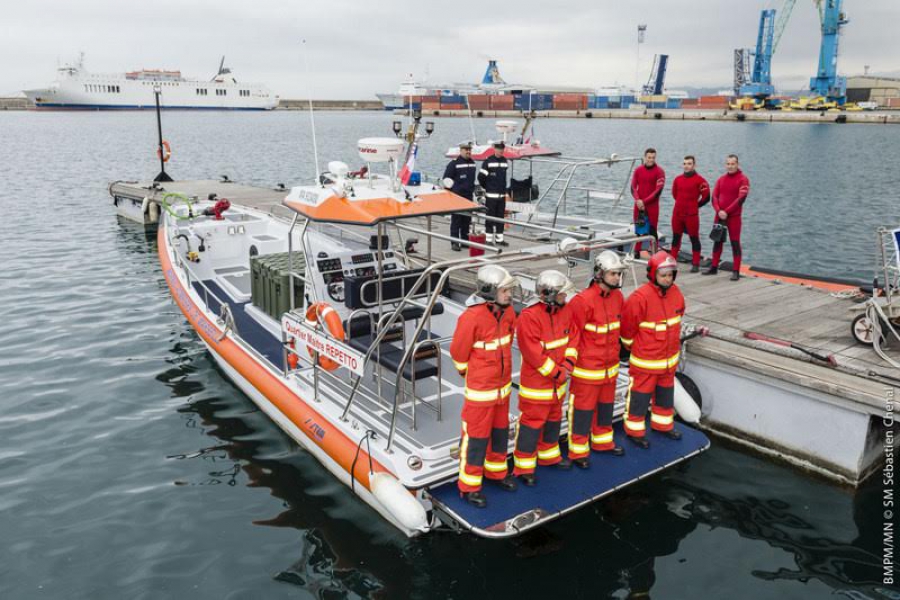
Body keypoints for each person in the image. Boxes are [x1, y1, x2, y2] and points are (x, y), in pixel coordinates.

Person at [450, 265, 519, 507]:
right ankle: (469, 486)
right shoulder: (471, 317)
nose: (509, 294)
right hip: (481, 392)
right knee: (476, 439)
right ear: (490, 291)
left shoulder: (509, 313)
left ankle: (497, 472)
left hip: (502, 390)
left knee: (500, 433)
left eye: (509, 289)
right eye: (505, 290)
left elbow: (507, 341)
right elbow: (458, 352)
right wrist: (467, 373)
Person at [512, 270, 578, 485]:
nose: (564, 298)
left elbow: (573, 338)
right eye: (561, 294)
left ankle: (549, 455)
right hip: (538, 386)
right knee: (531, 425)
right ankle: (524, 467)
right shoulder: (529, 317)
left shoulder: (565, 311)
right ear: (549, 294)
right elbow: (533, 353)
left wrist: (568, 364)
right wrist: (558, 372)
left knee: (553, 420)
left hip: (557, 385)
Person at [566, 251, 628, 465]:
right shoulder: (582, 302)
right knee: (582, 412)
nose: (617, 278)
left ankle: (603, 442)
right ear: (599, 274)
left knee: (605, 408)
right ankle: (578, 451)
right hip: (586, 370)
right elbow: (572, 337)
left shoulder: (618, 297)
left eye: (619, 274)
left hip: (609, 368)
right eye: (613, 274)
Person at [620, 251, 685, 449]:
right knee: (639, 398)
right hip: (646, 362)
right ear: (653, 274)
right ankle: (635, 431)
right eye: (663, 275)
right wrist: (637, 349)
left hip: (668, 362)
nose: (667, 279)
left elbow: (679, 315)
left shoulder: (676, 294)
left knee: (665, 397)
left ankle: (663, 425)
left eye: (670, 275)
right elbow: (627, 331)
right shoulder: (640, 298)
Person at [703, 154, 751, 281]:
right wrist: (719, 211)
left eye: (732, 164)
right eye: (728, 164)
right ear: (726, 165)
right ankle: (714, 268)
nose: (730, 166)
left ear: (737, 164)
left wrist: (727, 211)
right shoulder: (721, 179)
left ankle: (736, 271)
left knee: (735, 243)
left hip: (734, 217)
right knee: (717, 242)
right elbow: (714, 197)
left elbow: (741, 199)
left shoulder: (743, 179)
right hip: (719, 216)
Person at [669, 156, 710, 273]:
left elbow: (707, 197)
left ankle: (696, 263)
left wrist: (695, 205)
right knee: (676, 238)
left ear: (694, 165)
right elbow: (674, 194)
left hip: (691, 215)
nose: (686, 166)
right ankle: (672, 262)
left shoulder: (700, 180)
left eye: (689, 163)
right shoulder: (677, 179)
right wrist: (682, 204)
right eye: (685, 163)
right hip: (677, 213)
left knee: (694, 239)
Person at [630, 148, 666, 258]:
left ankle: (655, 254)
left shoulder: (660, 171)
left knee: (652, 230)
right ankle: (636, 252)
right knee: (639, 229)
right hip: (639, 205)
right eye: (649, 157)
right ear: (645, 157)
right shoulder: (638, 170)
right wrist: (637, 200)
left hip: (652, 206)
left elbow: (658, 191)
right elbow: (632, 187)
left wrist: (643, 201)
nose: (651, 160)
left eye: (653, 158)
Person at [442, 141, 477, 251]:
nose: (468, 151)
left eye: (469, 150)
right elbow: (446, 180)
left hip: (468, 196)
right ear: (461, 150)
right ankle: (455, 242)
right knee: (456, 220)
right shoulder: (454, 164)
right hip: (457, 196)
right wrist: (451, 193)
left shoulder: (472, 163)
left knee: (466, 220)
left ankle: (465, 241)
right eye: (466, 150)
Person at [478, 141, 511, 246]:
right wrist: (487, 187)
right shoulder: (488, 161)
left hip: (501, 196)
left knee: (500, 217)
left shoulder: (505, 161)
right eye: (499, 149)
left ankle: (499, 239)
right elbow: (481, 178)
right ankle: (488, 239)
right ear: (495, 149)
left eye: (502, 149)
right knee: (490, 218)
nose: (501, 151)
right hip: (491, 196)